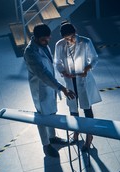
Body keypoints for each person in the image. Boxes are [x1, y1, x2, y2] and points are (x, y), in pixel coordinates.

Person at [24, 23, 76, 157]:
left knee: (51, 113)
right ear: (35, 37)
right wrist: (61, 87)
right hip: (40, 90)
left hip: (49, 87)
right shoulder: (31, 52)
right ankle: (46, 145)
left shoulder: (43, 44)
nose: (47, 42)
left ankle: (52, 138)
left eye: (48, 39)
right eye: (43, 40)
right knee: (42, 118)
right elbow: (43, 73)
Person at [54, 21, 101, 150]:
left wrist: (87, 68)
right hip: (70, 81)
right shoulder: (60, 45)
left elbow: (95, 58)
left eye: (71, 37)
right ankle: (76, 132)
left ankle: (89, 136)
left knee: (87, 109)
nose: (69, 40)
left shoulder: (85, 42)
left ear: (75, 33)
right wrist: (63, 71)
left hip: (83, 79)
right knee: (73, 109)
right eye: (66, 38)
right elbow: (57, 62)